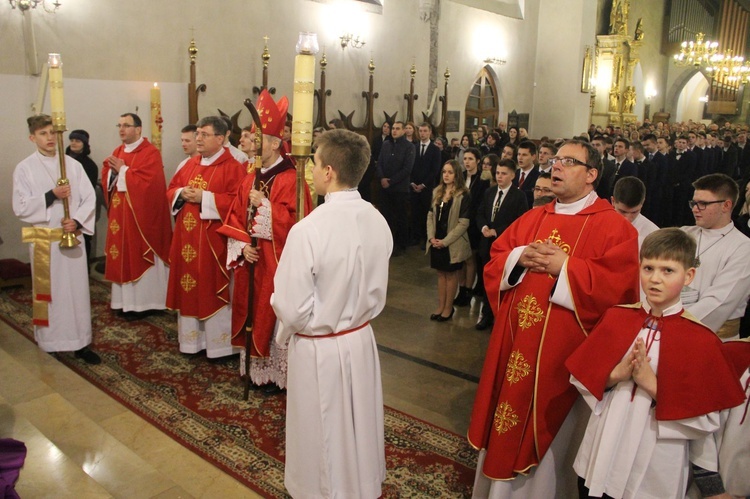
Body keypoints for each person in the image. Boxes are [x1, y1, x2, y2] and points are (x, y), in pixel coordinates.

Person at [468, 139, 640, 497]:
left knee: (550, 454)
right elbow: (496, 260)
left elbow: (620, 292)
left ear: (592, 174)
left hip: (561, 361)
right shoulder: (535, 217)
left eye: (568, 162)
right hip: (515, 347)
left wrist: (568, 268)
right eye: (556, 160)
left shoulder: (616, 229)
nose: (556, 167)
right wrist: (518, 257)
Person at [566, 228, 745, 499]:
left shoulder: (700, 339)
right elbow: (583, 379)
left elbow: (706, 419)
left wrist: (653, 385)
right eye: (648, 268)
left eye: (668, 271)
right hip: (604, 447)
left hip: (657, 458)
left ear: (689, 276)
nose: (655, 279)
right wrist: (616, 374)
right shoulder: (617, 318)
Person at [270, 129, 390, 498]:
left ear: (328, 172)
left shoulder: (309, 230)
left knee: (320, 428)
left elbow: (290, 305)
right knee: (359, 421)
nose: (311, 172)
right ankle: (362, 486)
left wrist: (286, 334)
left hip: (320, 345)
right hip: (360, 338)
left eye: (315, 164)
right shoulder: (377, 220)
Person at [218, 90, 312, 392]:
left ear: (275, 143)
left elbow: (299, 221)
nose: (254, 146)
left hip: (277, 261)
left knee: (271, 312)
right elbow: (234, 214)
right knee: (250, 309)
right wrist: (243, 246)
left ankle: (275, 374)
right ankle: (254, 369)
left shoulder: (289, 177)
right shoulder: (250, 175)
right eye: (253, 140)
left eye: (259, 141)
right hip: (252, 260)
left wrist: (266, 207)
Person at [12, 114, 100, 364]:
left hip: (71, 237)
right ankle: (51, 343)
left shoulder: (72, 165)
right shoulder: (25, 168)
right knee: (50, 294)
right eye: (43, 133)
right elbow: (20, 206)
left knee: (77, 292)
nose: (49, 138)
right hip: (45, 241)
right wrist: (51, 195)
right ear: (33, 138)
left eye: (52, 132)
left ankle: (80, 342)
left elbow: (88, 198)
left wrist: (78, 221)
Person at [165, 116, 245, 358]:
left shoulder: (233, 168)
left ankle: (219, 346)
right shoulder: (189, 164)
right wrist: (180, 193)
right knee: (188, 287)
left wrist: (206, 199)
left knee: (211, 288)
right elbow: (170, 189)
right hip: (186, 240)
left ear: (220, 139)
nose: (198, 138)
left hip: (213, 243)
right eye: (197, 133)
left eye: (204, 134)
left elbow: (238, 203)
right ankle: (191, 342)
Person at [102, 112, 172, 319]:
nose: (121, 129)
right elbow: (107, 176)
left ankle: (146, 302)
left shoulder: (150, 152)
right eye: (119, 125)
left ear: (138, 129)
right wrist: (114, 173)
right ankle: (122, 302)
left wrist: (123, 170)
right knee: (121, 254)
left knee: (138, 253)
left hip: (140, 219)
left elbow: (151, 185)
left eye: (126, 125)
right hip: (119, 217)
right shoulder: (118, 150)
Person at [681, 174, 750, 340]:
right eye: (694, 203)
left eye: (703, 203)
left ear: (726, 205)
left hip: (717, 340)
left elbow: (720, 302)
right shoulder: (683, 234)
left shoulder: (743, 248)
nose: (695, 209)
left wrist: (675, 325)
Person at [475, 159, 528, 331]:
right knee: (486, 281)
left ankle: (500, 317)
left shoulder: (519, 196)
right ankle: (486, 315)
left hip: (506, 246)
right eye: (498, 173)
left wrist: (497, 231)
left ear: (513, 175)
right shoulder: (489, 192)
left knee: (501, 282)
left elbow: (519, 221)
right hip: (486, 244)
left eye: (504, 173)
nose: (499, 176)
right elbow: (481, 212)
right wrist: (484, 227)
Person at [426, 160, 471, 322]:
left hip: (451, 241)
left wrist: (445, 241)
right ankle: (440, 305)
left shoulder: (463, 194)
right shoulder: (437, 191)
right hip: (437, 239)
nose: (446, 175)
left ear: (457, 174)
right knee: (440, 274)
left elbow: (463, 223)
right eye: (444, 172)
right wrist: (431, 237)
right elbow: (430, 215)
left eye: (450, 172)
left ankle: (448, 307)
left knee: (451, 275)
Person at [455, 147, 489, 306]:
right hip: (459, 222)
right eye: (465, 159)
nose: (467, 162)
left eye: (470, 159)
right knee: (460, 258)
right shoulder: (460, 176)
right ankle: (461, 288)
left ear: (477, 161)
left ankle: (468, 290)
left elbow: (481, 204)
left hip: (473, 224)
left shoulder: (482, 179)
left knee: (470, 258)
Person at [376, 121, 415, 256]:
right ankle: (386, 242)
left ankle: (400, 244)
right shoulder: (386, 144)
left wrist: (391, 181)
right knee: (386, 216)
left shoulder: (409, 147)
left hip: (399, 188)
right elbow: (379, 162)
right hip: (385, 188)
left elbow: (407, 169)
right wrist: (381, 178)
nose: (394, 131)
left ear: (404, 131)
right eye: (393, 128)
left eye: (397, 129)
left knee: (400, 217)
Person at [65, 129, 99, 260]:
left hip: (80, 207)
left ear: (84, 144)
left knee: (82, 240)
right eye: (72, 140)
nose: (73, 143)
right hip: (63, 205)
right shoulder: (61, 160)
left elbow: (88, 192)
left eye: (77, 141)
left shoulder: (89, 165)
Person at [410, 123, 442, 246]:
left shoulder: (435, 150)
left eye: (425, 131)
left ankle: (425, 238)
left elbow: (435, 170)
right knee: (415, 213)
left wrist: (423, 184)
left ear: (430, 133)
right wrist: (413, 183)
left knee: (426, 213)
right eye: (421, 131)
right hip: (414, 186)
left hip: (427, 187)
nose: (422, 133)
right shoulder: (414, 147)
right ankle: (415, 236)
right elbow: (410, 166)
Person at [612, 176, 658, 248]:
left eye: (634, 212)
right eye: (623, 211)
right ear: (613, 201)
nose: (628, 218)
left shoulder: (653, 235)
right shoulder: (597, 224)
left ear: (642, 203)